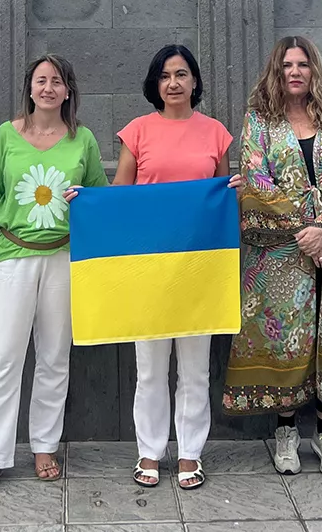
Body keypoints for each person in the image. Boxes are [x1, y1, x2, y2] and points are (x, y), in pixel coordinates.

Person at [221, 36, 322, 479]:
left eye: (303, 64)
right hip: (279, 253)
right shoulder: (260, 120)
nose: (295, 72)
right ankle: (285, 430)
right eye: (287, 64)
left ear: (315, 71)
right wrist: (304, 233)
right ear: (276, 70)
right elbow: (255, 178)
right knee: (284, 338)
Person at [0, 55, 107, 496]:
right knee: (4, 356)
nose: (48, 88)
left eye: (57, 81)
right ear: (29, 87)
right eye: (40, 80)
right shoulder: (5, 137)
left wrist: (79, 199)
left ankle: (45, 445)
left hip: (63, 258)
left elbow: (97, 200)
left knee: (53, 356)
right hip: (13, 257)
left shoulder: (82, 140)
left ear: (68, 91)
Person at [115, 44, 237, 491]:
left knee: (195, 369)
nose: (174, 83)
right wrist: (86, 206)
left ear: (195, 82)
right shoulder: (137, 132)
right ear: (155, 83)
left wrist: (233, 192)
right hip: (149, 269)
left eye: (182, 74)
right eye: (166, 75)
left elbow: (222, 198)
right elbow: (120, 198)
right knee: (149, 368)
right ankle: (149, 449)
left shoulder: (216, 134)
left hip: (198, 269)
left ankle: (189, 453)